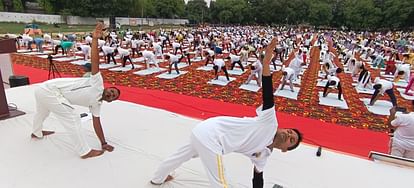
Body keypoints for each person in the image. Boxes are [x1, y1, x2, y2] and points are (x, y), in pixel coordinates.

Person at [150, 38, 302, 188]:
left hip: (202, 132)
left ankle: (158, 178)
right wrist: (267, 63)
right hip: (212, 136)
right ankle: (158, 178)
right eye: (290, 132)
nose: (288, 135)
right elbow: (268, 93)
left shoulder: (263, 156)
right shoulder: (270, 123)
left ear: (284, 150)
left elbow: (257, 178)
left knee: (179, 157)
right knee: (220, 183)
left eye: (291, 140)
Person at [31, 22, 120, 159]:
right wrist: (95, 39)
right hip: (50, 90)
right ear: (107, 88)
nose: (110, 94)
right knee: (72, 117)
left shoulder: (97, 105)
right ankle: (84, 151)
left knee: (42, 112)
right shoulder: (97, 83)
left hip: (45, 90)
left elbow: (97, 123)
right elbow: (95, 62)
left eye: (113, 96)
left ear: (110, 101)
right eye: (112, 91)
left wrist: (103, 143)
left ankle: (36, 133)